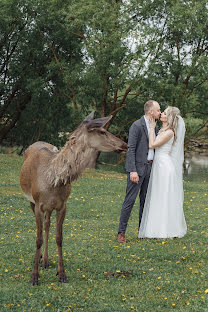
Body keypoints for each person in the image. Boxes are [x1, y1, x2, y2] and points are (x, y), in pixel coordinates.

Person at [138, 106, 187, 239]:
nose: (161, 114)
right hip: (159, 165)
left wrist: (152, 128)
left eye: (164, 113)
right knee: (157, 195)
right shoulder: (163, 129)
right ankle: (154, 228)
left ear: (169, 117)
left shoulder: (170, 132)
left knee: (163, 196)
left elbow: (152, 145)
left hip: (164, 166)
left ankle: (165, 230)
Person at [117, 100, 161, 243]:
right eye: (158, 110)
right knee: (129, 201)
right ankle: (121, 233)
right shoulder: (136, 125)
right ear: (151, 111)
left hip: (150, 168)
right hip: (137, 169)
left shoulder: (155, 126)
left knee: (145, 201)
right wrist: (132, 171)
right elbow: (131, 149)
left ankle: (142, 231)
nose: (160, 113)